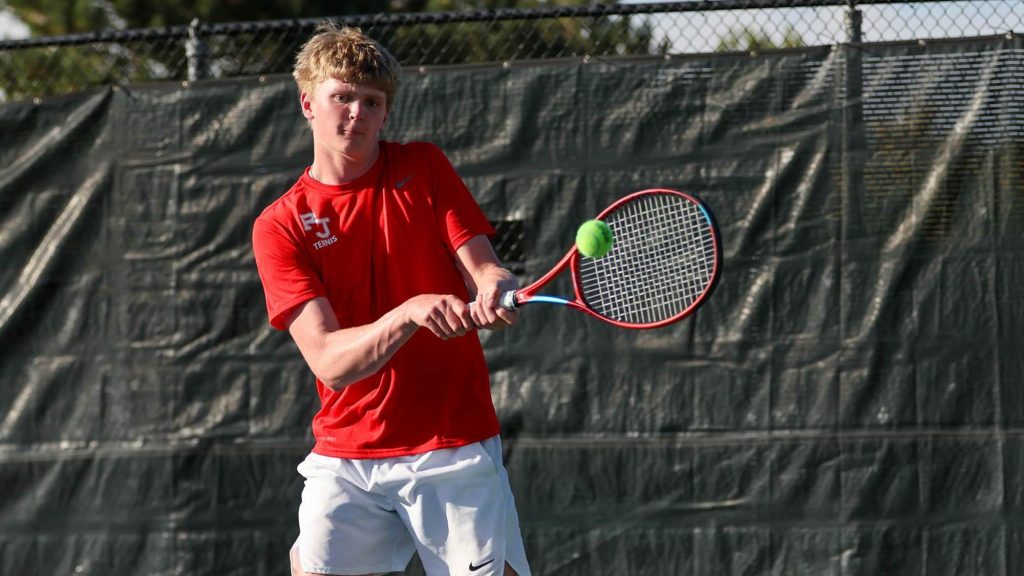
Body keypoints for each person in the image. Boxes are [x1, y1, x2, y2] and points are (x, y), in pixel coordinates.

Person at [251, 21, 532, 576]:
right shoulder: (281, 225)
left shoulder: (423, 168)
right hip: (347, 455)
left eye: (371, 101)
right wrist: (410, 313)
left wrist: (493, 286)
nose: (356, 112)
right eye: (342, 97)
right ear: (308, 103)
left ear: (386, 113)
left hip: (453, 444)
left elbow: (483, 266)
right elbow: (331, 363)